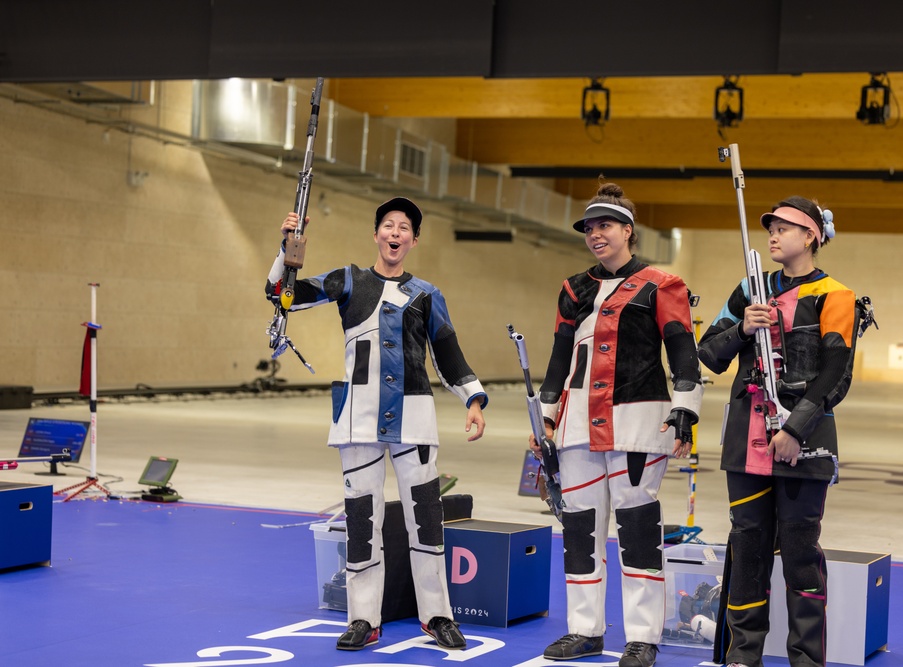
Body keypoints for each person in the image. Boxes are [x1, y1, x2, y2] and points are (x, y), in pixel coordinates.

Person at [265, 197, 487, 652]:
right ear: (376, 233)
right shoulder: (349, 280)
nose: (395, 233)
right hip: (357, 420)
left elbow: (448, 355)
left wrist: (474, 399)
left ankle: (437, 615)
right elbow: (281, 295)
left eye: (404, 227)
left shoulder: (427, 293)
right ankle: (364, 618)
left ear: (413, 239)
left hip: (415, 420)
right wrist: (286, 247)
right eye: (388, 225)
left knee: (426, 521)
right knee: (362, 521)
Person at [532, 183, 703, 667]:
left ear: (628, 230)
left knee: (636, 529)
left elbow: (682, 353)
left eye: (604, 225)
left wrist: (686, 407)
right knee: (581, 530)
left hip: (639, 424)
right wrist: (545, 414)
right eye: (589, 227)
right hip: (577, 426)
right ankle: (584, 630)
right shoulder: (573, 289)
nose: (595, 234)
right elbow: (559, 358)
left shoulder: (662, 285)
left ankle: (643, 636)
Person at [697, 196, 861, 667]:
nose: (773, 234)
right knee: (747, 551)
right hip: (744, 445)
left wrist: (794, 428)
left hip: (804, 444)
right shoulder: (750, 289)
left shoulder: (835, 294)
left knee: (800, 553)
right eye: (770, 227)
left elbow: (836, 375)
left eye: (785, 227)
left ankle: (806, 661)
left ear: (811, 236)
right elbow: (708, 354)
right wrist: (742, 330)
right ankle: (742, 657)